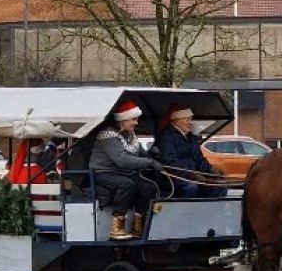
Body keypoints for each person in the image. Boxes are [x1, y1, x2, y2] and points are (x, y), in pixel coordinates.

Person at [89, 100, 163, 240]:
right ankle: (117, 227)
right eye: (133, 119)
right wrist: (150, 162)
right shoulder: (108, 135)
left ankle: (138, 225)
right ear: (122, 120)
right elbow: (121, 160)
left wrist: (151, 154)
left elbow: (140, 155)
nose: (136, 123)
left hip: (124, 173)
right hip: (102, 172)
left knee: (148, 188)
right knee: (126, 185)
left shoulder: (131, 135)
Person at [157, 104, 227, 199]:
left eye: (191, 119)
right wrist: (192, 175)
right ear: (176, 120)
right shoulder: (166, 137)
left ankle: (210, 212)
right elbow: (170, 163)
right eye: (187, 119)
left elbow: (199, 159)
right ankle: (188, 213)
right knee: (191, 188)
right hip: (174, 178)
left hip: (193, 177)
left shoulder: (191, 137)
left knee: (219, 187)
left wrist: (211, 169)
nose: (190, 123)